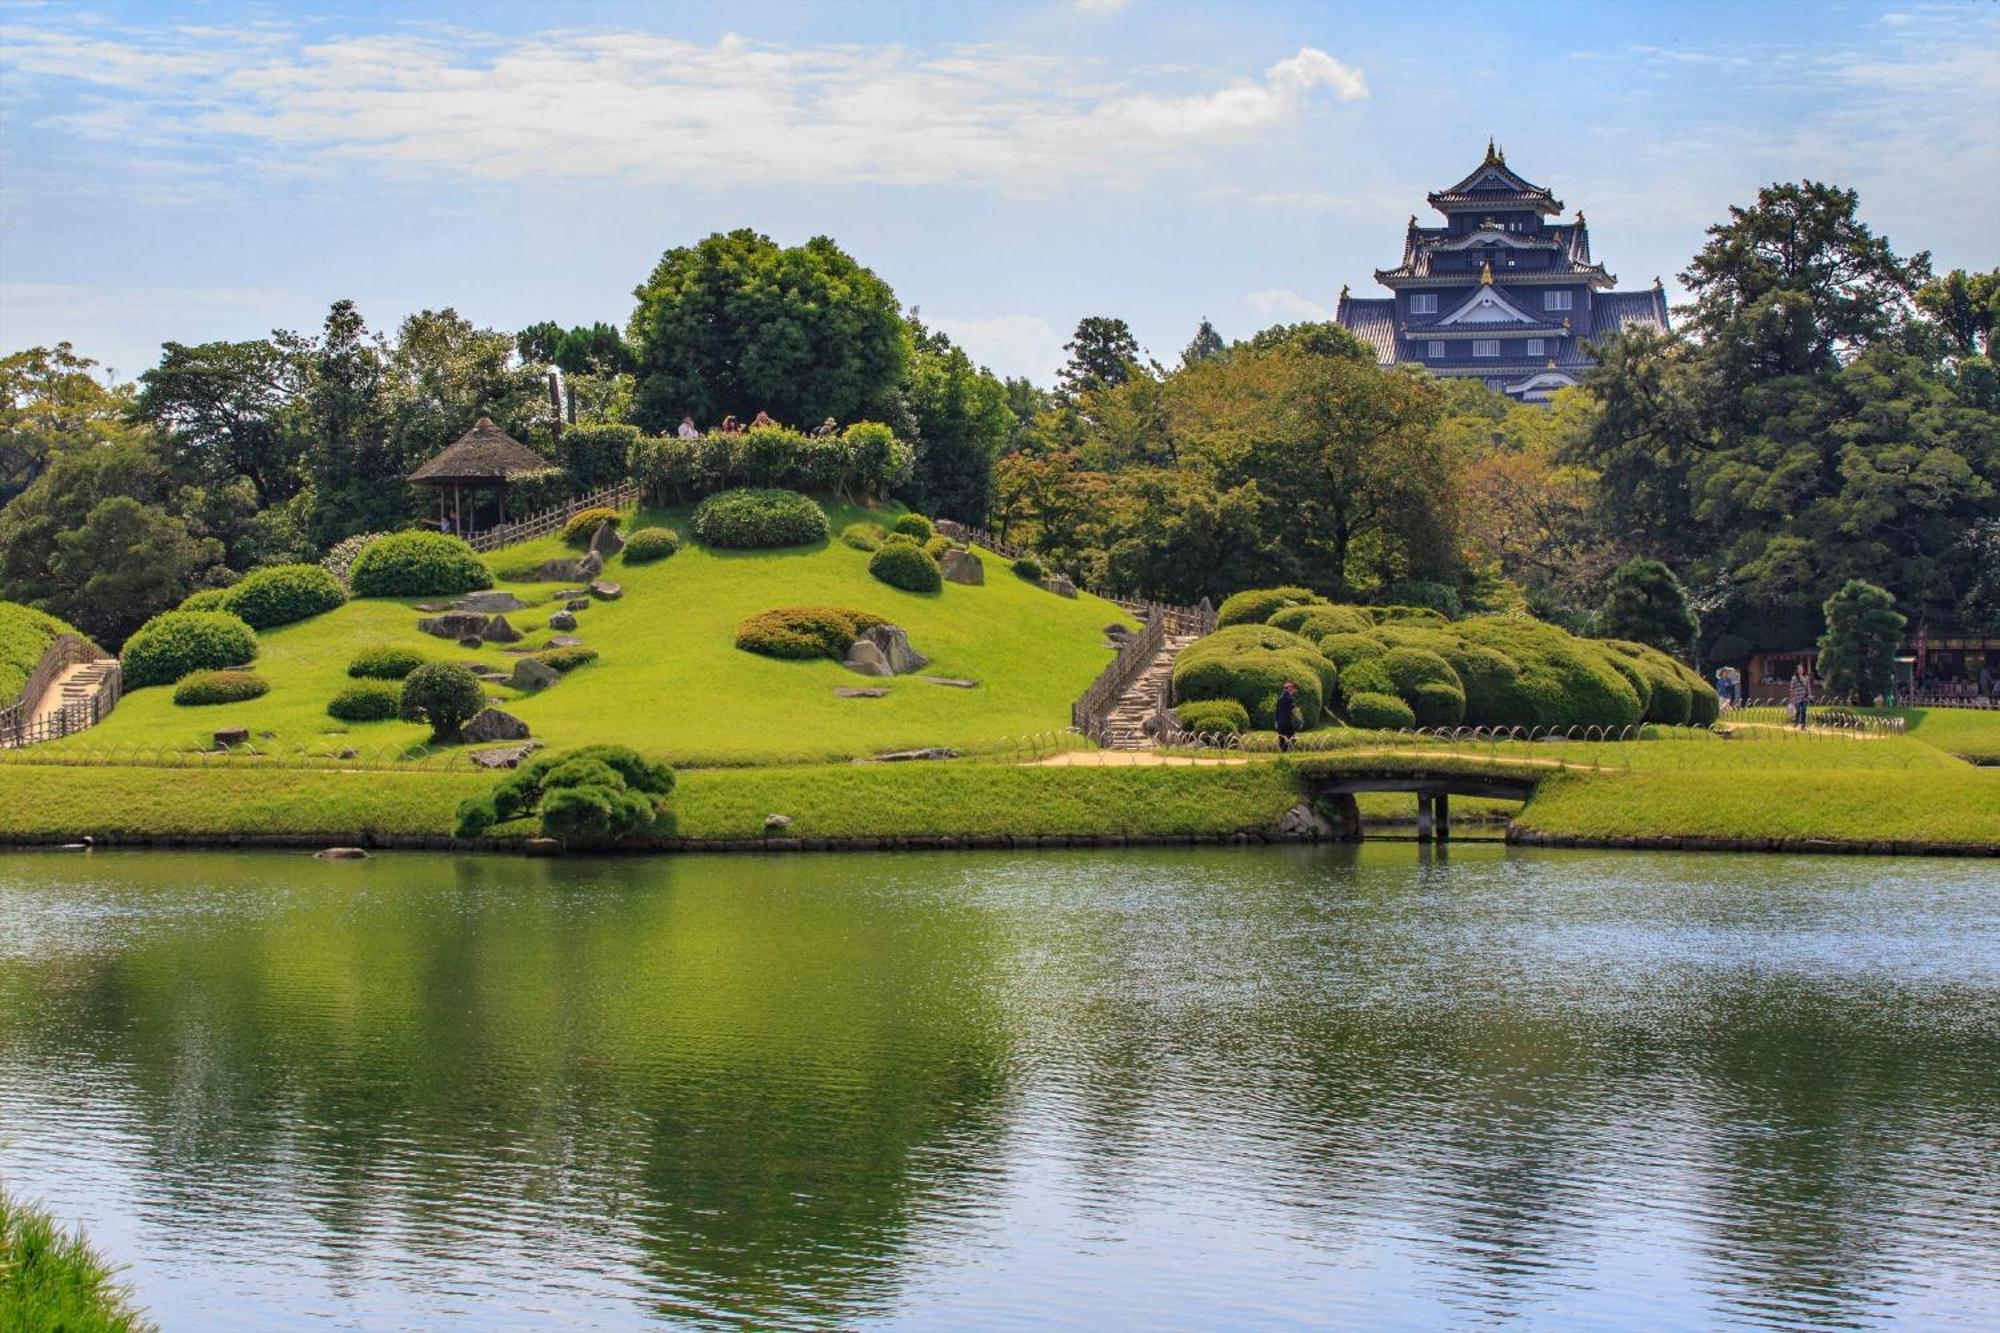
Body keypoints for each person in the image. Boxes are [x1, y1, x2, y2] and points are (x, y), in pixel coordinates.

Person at [1274, 681, 1299, 753]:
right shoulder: (1290, 699)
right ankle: (1288, 750)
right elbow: (1294, 710)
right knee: (1293, 738)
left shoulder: (1280, 699)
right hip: (1288, 722)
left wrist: (1276, 722)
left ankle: (1283, 754)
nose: (1293, 691)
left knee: (1282, 740)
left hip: (1280, 723)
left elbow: (1277, 711)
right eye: (1292, 690)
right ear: (1290, 690)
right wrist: (1300, 719)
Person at [1788, 661, 1811, 729]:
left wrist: (1809, 695)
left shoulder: (1806, 678)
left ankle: (1803, 725)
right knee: (1798, 711)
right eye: (1799, 669)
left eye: (1802, 668)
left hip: (1804, 697)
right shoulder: (1794, 678)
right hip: (1797, 698)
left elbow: (1808, 687)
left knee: (1804, 710)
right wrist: (1792, 698)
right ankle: (1796, 722)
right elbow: (1791, 689)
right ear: (1797, 670)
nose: (1801, 670)